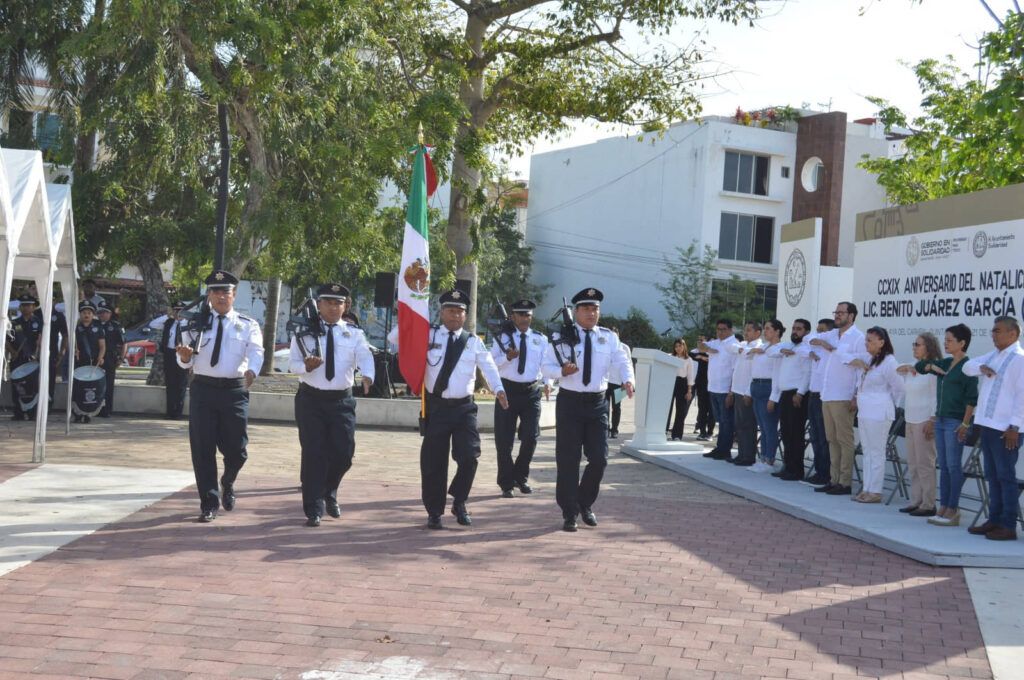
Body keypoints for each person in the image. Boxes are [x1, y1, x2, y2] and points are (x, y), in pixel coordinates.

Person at [398, 289, 508, 529]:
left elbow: (488, 367)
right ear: (441, 312)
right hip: (436, 407)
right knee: (433, 463)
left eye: (460, 311)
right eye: (450, 310)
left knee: (470, 457)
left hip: (463, 409)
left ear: (466, 315)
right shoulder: (427, 335)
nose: (455, 314)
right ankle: (434, 511)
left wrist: (498, 389)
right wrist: (412, 314)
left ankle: (459, 500)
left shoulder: (472, 341)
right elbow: (394, 339)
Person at [542, 287, 634, 532]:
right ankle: (569, 511)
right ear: (576, 311)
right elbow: (546, 366)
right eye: (586, 308)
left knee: (600, 459)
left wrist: (628, 380)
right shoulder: (560, 337)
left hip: (597, 404)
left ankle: (585, 502)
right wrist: (561, 371)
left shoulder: (608, 337)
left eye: (595, 308)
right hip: (570, 403)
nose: (592, 313)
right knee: (568, 460)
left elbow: (622, 361)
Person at [176, 270, 264, 523]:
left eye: (225, 291)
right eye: (215, 291)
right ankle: (209, 503)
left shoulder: (248, 325)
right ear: (209, 296)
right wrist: (183, 358)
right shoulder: (193, 323)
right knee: (202, 449)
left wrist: (253, 371)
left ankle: (228, 480)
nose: (220, 296)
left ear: (234, 295)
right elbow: (184, 359)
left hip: (235, 390)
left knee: (238, 450)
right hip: (203, 389)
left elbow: (257, 351)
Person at [289, 284, 374, 527]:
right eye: (329, 302)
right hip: (311, 400)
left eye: (339, 303)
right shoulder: (303, 332)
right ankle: (313, 508)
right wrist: (306, 366)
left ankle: (329, 490)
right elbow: (293, 364)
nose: (335, 307)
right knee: (313, 453)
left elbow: (365, 356)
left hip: (341, 401)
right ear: (319, 304)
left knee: (343, 453)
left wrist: (368, 375)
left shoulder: (353, 333)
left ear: (345, 306)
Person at [963, 316, 1024, 541]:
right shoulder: (994, 355)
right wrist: (982, 367)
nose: (993, 334)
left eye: (997, 331)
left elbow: (1022, 396)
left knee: (1006, 476)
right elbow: (967, 368)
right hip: (987, 425)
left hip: (1007, 428)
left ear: (1013, 334)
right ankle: (994, 519)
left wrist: (1015, 426)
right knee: (992, 475)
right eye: (993, 331)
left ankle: (1008, 525)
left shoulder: (1019, 359)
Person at [917, 324, 977, 527]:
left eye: (950, 340)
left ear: (962, 343)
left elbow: (972, 399)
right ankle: (943, 506)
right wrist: (929, 367)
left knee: (953, 466)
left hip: (955, 421)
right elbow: (920, 366)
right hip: (941, 419)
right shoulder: (947, 362)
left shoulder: (967, 367)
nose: (946, 343)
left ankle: (953, 508)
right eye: (945, 339)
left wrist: (965, 423)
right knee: (943, 465)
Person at [490, 299, 550, 498]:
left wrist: (548, 382)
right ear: (513, 316)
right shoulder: (502, 337)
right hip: (507, 390)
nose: (525, 318)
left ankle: (520, 476)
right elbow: (491, 365)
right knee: (504, 440)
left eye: (528, 315)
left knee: (531, 437)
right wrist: (506, 358)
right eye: (521, 315)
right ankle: (506, 482)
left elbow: (546, 364)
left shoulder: (540, 339)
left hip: (531, 392)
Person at [810, 302, 865, 496]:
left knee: (844, 440)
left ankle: (845, 482)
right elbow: (810, 338)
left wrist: (856, 395)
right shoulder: (831, 334)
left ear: (852, 316)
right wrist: (822, 343)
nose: (837, 316)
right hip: (827, 394)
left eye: (841, 313)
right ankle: (833, 480)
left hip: (843, 395)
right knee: (831, 439)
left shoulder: (858, 337)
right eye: (836, 312)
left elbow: (862, 366)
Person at [848, 327, 904, 503]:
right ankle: (867, 488)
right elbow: (845, 357)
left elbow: (899, 387)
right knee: (867, 451)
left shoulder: (889, 362)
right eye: (866, 340)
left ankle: (875, 491)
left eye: (871, 340)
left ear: (882, 342)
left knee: (877, 452)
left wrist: (888, 403)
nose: (867, 343)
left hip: (879, 412)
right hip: (865, 411)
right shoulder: (869, 359)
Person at [895, 332, 941, 517]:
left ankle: (929, 503)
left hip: (924, 420)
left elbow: (936, 396)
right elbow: (897, 370)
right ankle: (916, 500)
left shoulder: (933, 369)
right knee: (913, 463)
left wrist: (932, 419)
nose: (914, 347)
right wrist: (907, 367)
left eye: (918, 344)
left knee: (925, 464)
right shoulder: (914, 366)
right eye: (914, 344)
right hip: (910, 419)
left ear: (928, 347)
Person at [770, 318, 812, 481]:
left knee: (795, 434)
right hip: (785, 394)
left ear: (806, 332)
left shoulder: (805, 349)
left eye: (799, 329)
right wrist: (781, 351)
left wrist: (800, 393)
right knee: (786, 433)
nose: (795, 331)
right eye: (794, 328)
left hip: (797, 395)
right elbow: (769, 351)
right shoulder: (788, 346)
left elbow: (807, 373)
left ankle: (796, 470)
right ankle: (787, 466)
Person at [697, 320, 740, 460]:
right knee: (720, 421)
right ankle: (720, 448)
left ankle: (724, 450)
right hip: (713, 388)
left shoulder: (733, 345)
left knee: (726, 421)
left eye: (723, 329)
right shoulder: (716, 343)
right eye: (718, 329)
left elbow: (735, 371)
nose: (720, 332)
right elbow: (700, 346)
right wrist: (708, 349)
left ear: (730, 330)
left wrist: (731, 392)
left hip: (725, 390)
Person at [800, 318, 835, 486]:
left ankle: (825, 473)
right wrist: (813, 348)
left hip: (824, 396)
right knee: (814, 435)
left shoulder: (831, 348)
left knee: (823, 436)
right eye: (818, 329)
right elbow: (806, 340)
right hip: (813, 395)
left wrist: (822, 341)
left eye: (822, 330)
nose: (818, 333)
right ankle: (818, 471)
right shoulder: (815, 344)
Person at [747, 320, 783, 472]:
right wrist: (754, 351)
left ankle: (769, 459)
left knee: (769, 426)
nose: (765, 331)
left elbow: (777, 374)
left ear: (777, 331)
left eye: (768, 329)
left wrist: (773, 397)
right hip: (756, 385)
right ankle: (762, 457)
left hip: (768, 386)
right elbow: (747, 356)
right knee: (762, 425)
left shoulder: (779, 348)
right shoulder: (762, 347)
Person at [728, 321, 763, 466]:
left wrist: (748, 392)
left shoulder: (758, 347)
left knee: (748, 425)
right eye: (745, 330)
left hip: (746, 391)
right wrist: (741, 349)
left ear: (757, 332)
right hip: (737, 389)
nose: (746, 332)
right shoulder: (743, 345)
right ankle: (741, 454)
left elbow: (754, 373)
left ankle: (748, 456)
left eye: (749, 330)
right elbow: (731, 346)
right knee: (739, 425)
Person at [6, 294, 42, 420]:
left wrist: (37, 353)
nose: (26, 307)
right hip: (18, 359)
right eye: (24, 305)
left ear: (33, 307)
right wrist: (12, 351)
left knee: (33, 387)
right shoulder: (14, 323)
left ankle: (32, 412)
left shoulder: (39, 322)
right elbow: (7, 340)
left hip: (32, 359)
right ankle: (18, 412)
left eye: (29, 305)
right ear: (20, 307)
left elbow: (41, 339)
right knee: (17, 386)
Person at [73, 299, 106, 423]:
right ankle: (76, 413)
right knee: (78, 388)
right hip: (78, 362)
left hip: (92, 363)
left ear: (93, 315)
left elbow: (102, 346)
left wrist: (101, 357)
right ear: (80, 314)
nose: (86, 315)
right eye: (84, 313)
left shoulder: (98, 328)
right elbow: (70, 344)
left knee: (90, 388)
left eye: (89, 313)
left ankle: (87, 413)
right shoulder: (75, 328)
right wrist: (73, 351)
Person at [97, 303, 126, 417]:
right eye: (100, 312)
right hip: (95, 358)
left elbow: (124, 344)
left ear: (110, 314)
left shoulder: (115, 326)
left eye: (105, 312)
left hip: (110, 358)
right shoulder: (94, 324)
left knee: (108, 385)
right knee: (95, 384)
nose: (102, 314)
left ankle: (107, 410)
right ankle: (94, 408)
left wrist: (121, 358)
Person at [161, 302, 188, 420]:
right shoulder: (169, 322)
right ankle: (170, 412)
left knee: (181, 384)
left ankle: (178, 413)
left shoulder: (188, 324)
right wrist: (169, 315)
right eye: (176, 310)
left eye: (180, 310)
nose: (178, 313)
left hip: (182, 353)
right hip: (170, 354)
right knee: (170, 384)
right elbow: (153, 324)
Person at [667, 338, 695, 441]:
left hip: (682, 383)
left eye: (680, 346)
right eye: (676, 346)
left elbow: (690, 376)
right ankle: (663, 431)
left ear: (684, 346)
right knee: (667, 408)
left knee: (680, 410)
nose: (678, 348)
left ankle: (677, 435)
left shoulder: (688, 359)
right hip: (670, 382)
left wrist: (689, 391)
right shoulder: (670, 357)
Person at [690, 341, 714, 440]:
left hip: (713, 386)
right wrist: (701, 356)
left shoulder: (714, 355)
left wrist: (706, 358)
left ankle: (710, 433)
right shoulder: (697, 354)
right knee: (702, 409)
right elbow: (690, 354)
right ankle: (702, 431)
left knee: (712, 411)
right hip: (701, 385)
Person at [605, 326, 625, 438]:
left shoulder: (624, 347)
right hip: (606, 382)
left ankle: (615, 429)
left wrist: (626, 381)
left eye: (615, 335)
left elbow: (628, 365)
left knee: (617, 407)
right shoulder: (604, 346)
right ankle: (606, 428)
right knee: (605, 407)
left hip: (619, 383)